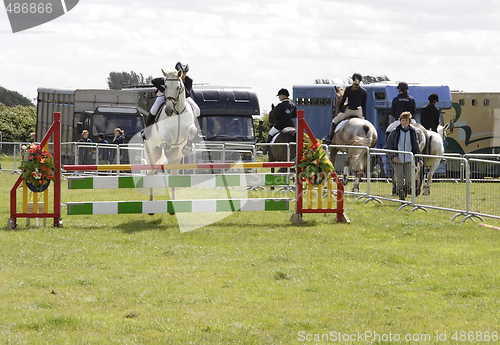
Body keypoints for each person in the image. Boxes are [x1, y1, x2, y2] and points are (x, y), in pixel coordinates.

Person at [143, 61, 200, 140]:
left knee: (197, 110)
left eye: (185, 73)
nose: (183, 75)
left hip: (183, 98)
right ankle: (147, 130)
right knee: (154, 109)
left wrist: (181, 85)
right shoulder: (169, 77)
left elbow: (187, 93)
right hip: (166, 96)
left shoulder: (189, 80)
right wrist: (163, 89)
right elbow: (154, 81)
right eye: (181, 72)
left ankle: (196, 130)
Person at [385, 112, 423, 201]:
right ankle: (402, 199)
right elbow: (388, 146)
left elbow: (415, 147)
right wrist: (393, 156)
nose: (404, 122)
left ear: (409, 121)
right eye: (402, 120)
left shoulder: (413, 132)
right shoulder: (395, 132)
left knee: (410, 180)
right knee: (400, 181)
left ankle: (405, 192)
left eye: (406, 120)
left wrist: (419, 159)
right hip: (398, 160)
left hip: (409, 160)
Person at [324, 73, 367, 144]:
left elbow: (343, 100)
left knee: (334, 121)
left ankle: (330, 138)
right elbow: (364, 106)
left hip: (349, 110)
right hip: (358, 111)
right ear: (361, 80)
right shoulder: (364, 91)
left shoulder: (348, 89)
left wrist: (341, 109)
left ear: (352, 79)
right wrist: (364, 116)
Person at [263, 88, 297, 154]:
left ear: (283, 95)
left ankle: (266, 149)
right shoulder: (293, 106)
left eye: (279, 95)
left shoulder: (280, 106)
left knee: (270, 133)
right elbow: (294, 115)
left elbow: (276, 116)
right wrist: (288, 114)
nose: (279, 97)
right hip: (291, 125)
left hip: (281, 125)